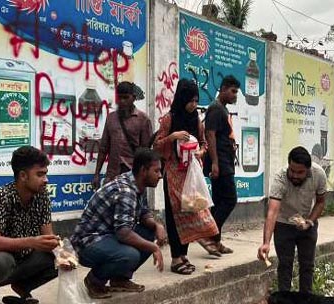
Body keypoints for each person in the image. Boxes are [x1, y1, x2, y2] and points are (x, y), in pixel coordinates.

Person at [0, 146, 65, 304]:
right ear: (22, 176)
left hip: (21, 262)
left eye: (45, 174)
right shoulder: (1, 197)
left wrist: (65, 256)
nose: (46, 180)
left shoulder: (41, 197)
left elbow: (49, 238)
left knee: (60, 257)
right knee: (2, 260)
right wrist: (32, 242)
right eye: (40, 174)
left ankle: (21, 287)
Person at [72, 150, 168, 299]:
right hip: (88, 242)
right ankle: (94, 281)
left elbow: (143, 213)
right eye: (156, 171)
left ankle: (120, 279)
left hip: (109, 235)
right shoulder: (126, 191)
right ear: (143, 170)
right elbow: (123, 233)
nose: (160, 175)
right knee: (130, 255)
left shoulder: (137, 184)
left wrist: (157, 226)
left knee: (149, 231)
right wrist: (153, 247)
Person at [154, 79, 220, 274]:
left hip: (191, 175)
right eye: (190, 100)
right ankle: (175, 258)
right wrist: (172, 137)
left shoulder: (196, 120)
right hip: (173, 174)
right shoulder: (169, 119)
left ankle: (184, 255)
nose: (193, 104)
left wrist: (201, 151)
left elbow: (203, 142)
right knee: (175, 217)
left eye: (195, 100)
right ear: (181, 99)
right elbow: (157, 146)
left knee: (190, 213)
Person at [258, 147, 327, 304]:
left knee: (307, 266)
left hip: (307, 224)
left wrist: (309, 221)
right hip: (283, 225)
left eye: (300, 172)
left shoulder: (319, 175)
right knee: (285, 266)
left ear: (308, 170)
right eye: (292, 171)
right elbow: (272, 212)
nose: (295, 175)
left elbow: (320, 202)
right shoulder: (280, 178)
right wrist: (266, 243)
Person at [201, 75, 241, 255]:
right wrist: (215, 163)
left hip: (224, 161)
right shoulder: (216, 109)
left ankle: (215, 241)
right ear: (223, 89)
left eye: (236, 92)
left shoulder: (221, 109)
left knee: (218, 201)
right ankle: (209, 236)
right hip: (221, 162)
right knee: (230, 199)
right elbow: (210, 135)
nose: (235, 96)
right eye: (233, 91)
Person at [92, 81, 153, 188]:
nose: (122, 101)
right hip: (112, 176)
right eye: (119, 98)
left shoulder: (143, 120)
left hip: (133, 176)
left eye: (125, 98)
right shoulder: (111, 118)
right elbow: (103, 148)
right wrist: (96, 174)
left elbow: (146, 152)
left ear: (133, 98)